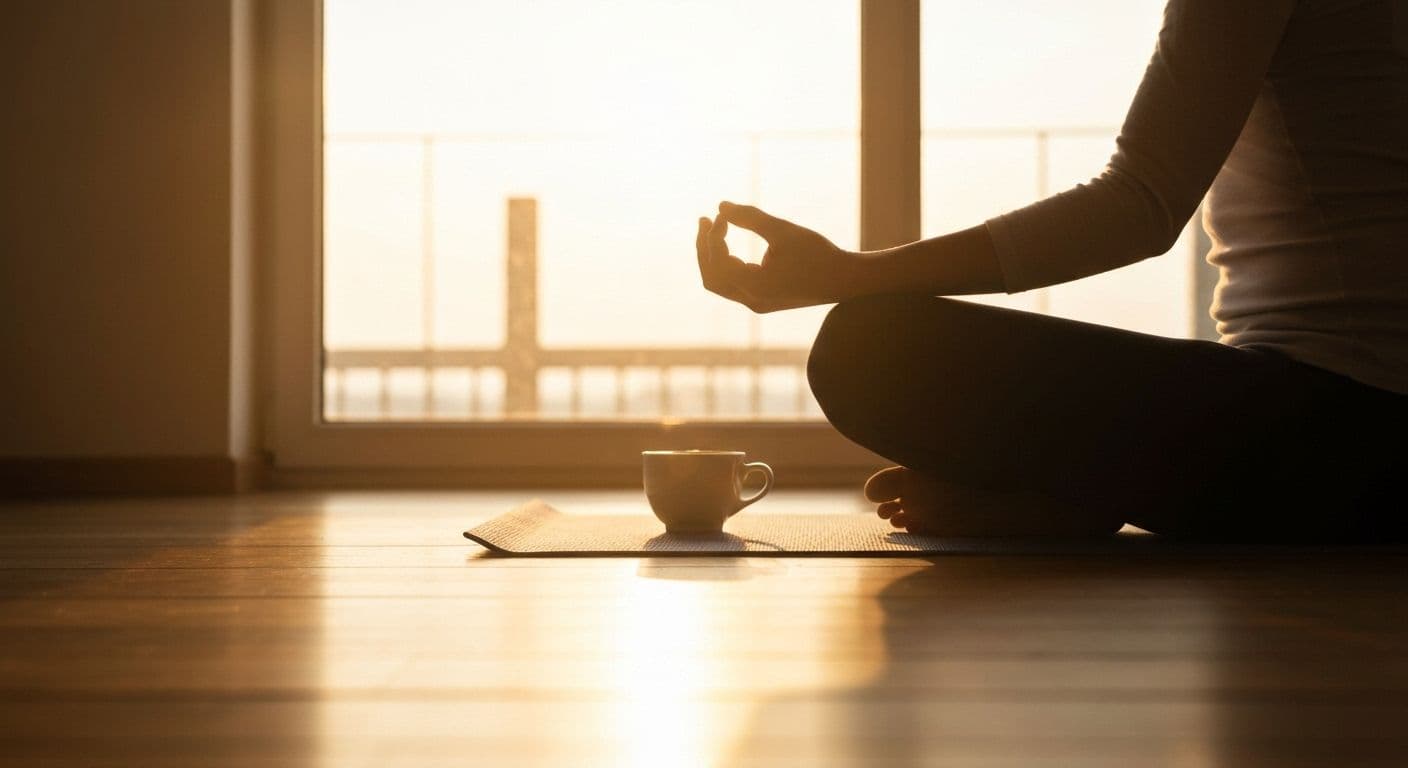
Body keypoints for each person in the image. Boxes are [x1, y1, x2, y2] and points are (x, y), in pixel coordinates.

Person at [694, 0, 1408, 541]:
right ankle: (1085, 486)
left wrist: (847, 276)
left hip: (1340, 432)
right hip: (1346, 427)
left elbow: (1141, 207)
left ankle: (1077, 489)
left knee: (868, 347)